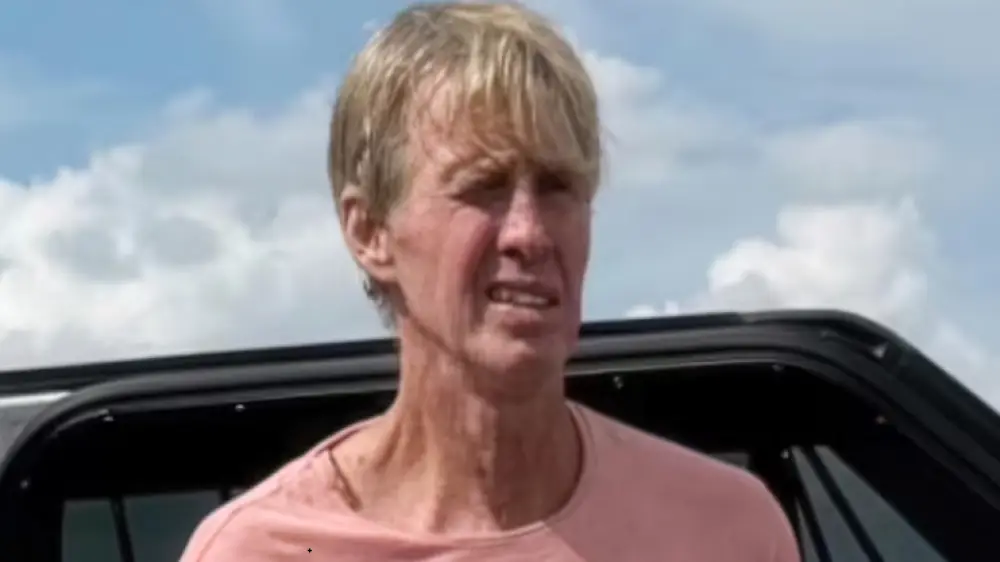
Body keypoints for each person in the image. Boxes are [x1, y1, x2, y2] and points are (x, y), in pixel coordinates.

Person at [179, 2, 801, 560]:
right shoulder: (262, 550)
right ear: (370, 232)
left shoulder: (727, 530)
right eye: (484, 187)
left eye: (557, 187)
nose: (529, 233)